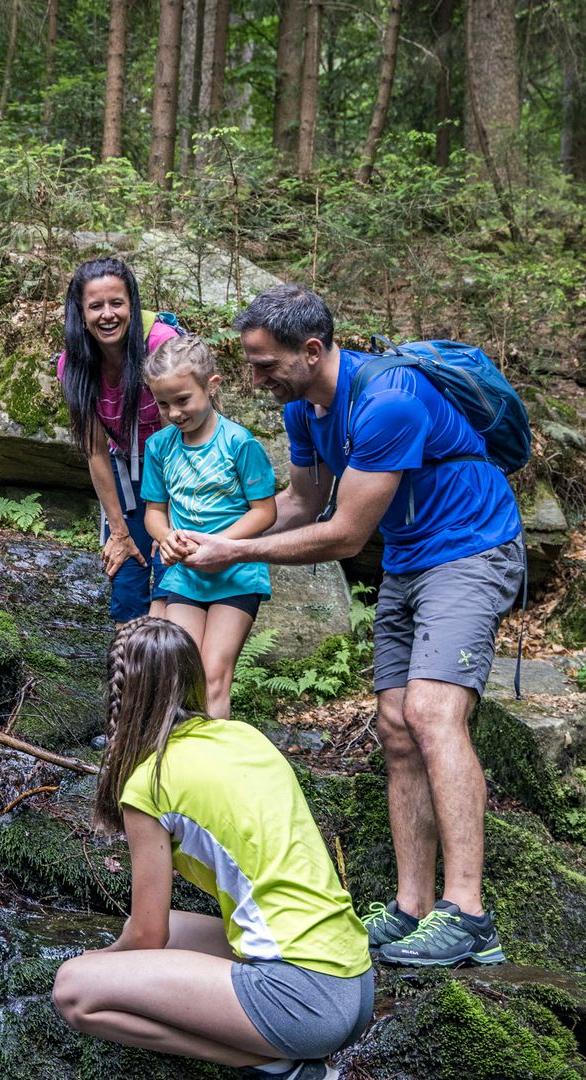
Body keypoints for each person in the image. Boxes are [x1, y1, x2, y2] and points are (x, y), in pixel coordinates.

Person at [170, 282, 524, 968]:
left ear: (311, 349)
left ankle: (470, 914)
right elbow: (302, 501)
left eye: (264, 362)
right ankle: (411, 907)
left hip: (473, 548)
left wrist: (236, 553)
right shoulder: (306, 407)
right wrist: (206, 534)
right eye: (248, 361)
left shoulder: (389, 401)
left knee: (431, 709)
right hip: (411, 557)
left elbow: (342, 533)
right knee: (395, 725)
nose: (253, 376)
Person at [52, 618, 374, 1080]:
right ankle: (289, 1057)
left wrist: (99, 964)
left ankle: (281, 1070)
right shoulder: (242, 737)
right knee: (162, 931)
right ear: (192, 677)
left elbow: (146, 938)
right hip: (353, 983)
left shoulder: (149, 782)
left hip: (306, 1000)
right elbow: (157, 932)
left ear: (122, 695)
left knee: (74, 991)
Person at [139, 335, 278, 718]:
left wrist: (220, 546)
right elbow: (154, 512)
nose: (174, 412)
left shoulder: (239, 443)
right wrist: (166, 538)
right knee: (180, 673)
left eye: (183, 400)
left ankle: (216, 766)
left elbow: (265, 512)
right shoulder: (160, 447)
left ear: (211, 386)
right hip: (186, 575)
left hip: (237, 573)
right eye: (163, 403)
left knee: (214, 674)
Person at [57, 257, 181, 623]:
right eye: (95, 306)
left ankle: (174, 672)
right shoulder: (73, 364)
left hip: (178, 470)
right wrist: (120, 532)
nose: (107, 314)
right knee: (127, 581)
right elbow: (95, 451)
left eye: (117, 303)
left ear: (132, 305)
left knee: (172, 581)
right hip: (124, 470)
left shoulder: (160, 344)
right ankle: (129, 673)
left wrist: (167, 520)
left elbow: (176, 436)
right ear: (81, 314)